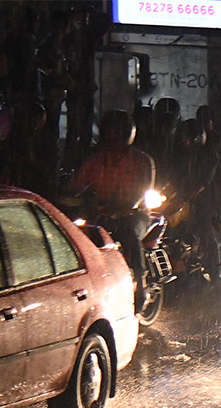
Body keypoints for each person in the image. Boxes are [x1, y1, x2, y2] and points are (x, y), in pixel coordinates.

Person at [68, 109, 156, 306]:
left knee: (130, 234)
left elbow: (141, 192)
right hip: (102, 214)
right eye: (110, 131)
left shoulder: (142, 161)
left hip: (133, 215)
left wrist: (125, 206)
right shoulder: (97, 160)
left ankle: (140, 285)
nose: (112, 136)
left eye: (117, 132)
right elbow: (77, 183)